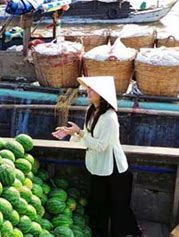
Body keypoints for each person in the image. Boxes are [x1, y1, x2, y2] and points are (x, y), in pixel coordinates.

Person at [52, 76, 142, 237]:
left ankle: (133, 234)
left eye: (92, 89)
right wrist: (70, 133)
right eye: (88, 88)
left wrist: (78, 132)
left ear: (102, 94)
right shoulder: (91, 111)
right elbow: (88, 136)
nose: (88, 91)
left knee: (119, 209)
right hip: (98, 166)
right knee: (98, 206)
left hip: (113, 169)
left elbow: (100, 146)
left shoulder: (110, 118)